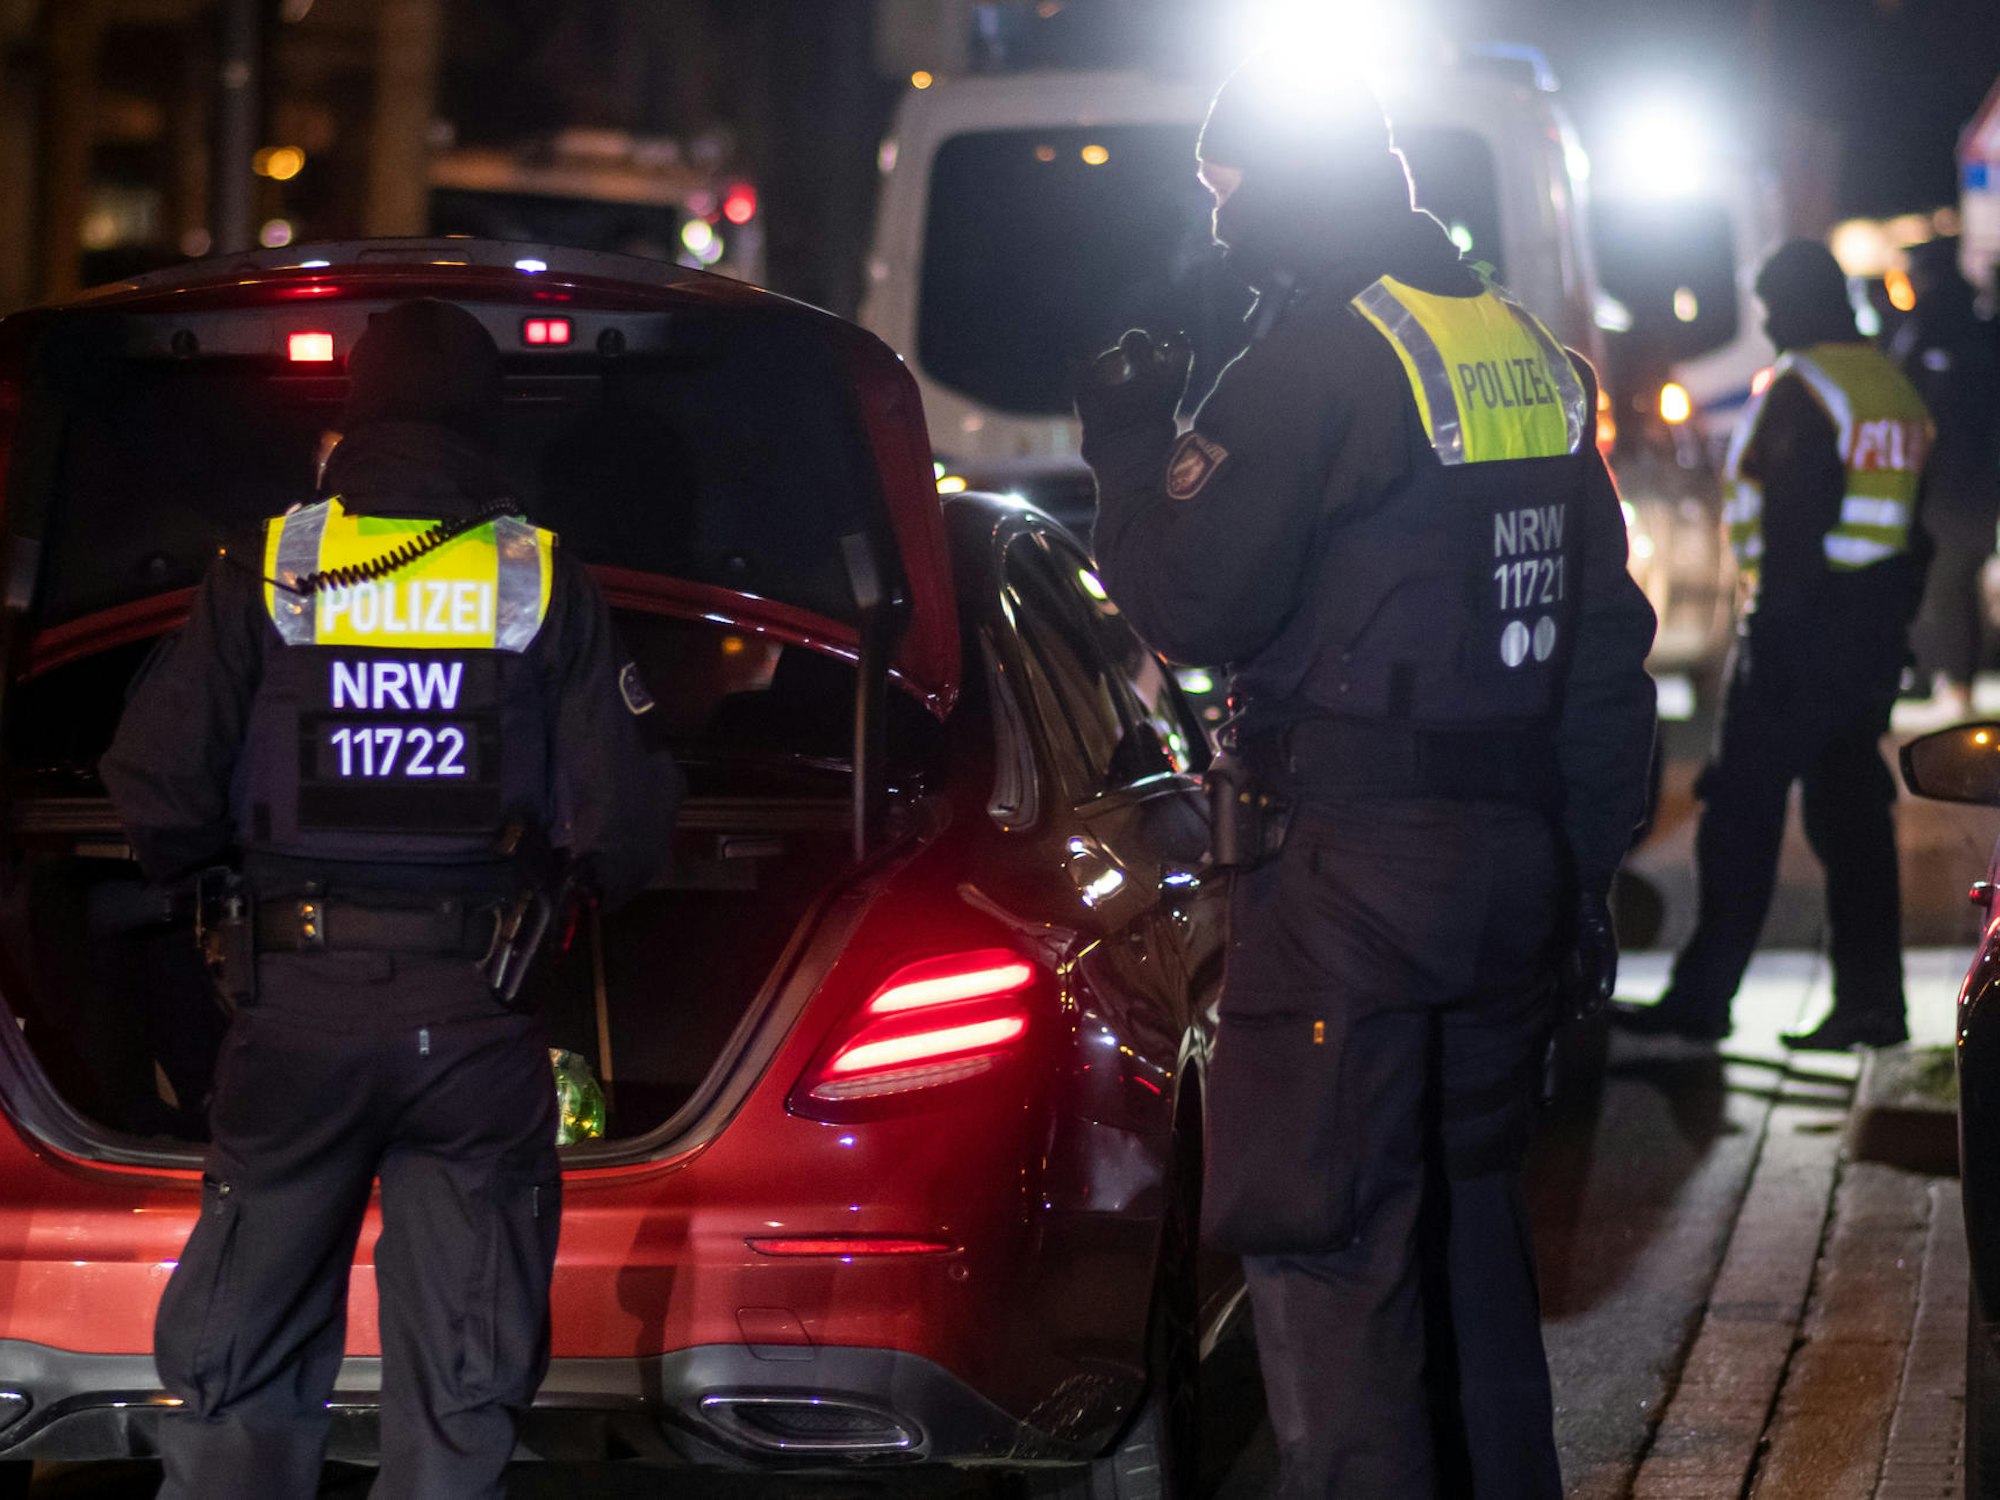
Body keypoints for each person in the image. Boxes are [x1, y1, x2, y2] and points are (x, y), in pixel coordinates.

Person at [1075, 58, 1657, 1499]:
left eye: (1227, 201)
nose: (1219, 234)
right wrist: (1580, 877)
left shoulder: (1318, 366)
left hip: (1348, 881)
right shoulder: (1520, 350)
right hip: (1508, 868)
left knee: (1334, 1257)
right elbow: (1602, 656)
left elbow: (1192, 605)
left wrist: (1129, 452)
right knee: (1471, 1245)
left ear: (1280, 193)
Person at [99, 298, 682, 1498]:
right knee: (462, 1378)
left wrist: (215, 889)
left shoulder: (270, 564)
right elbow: (621, 823)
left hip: (292, 1011)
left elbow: (153, 786)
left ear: (354, 416)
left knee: (239, 1358)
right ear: (486, 424)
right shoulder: (535, 572)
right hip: (475, 1016)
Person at [1612, 241, 1932, 1051]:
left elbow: (1790, 535)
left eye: (1771, 302)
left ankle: (1704, 997)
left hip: (1799, 642)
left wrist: (1769, 647)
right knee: (1854, 820)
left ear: (1801, 302)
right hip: (1868, 636)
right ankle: (1871, 1004)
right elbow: (1911, 532)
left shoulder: (1803, 392)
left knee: (1739, 815)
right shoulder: (1891, 387)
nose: (1765, 318)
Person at [1893, 237, 2000, 723]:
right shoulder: (1979, 329)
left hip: (1944, 484)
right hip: (1978, 482)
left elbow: (1909, 406)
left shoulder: (1930, 331)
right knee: (1960, 582)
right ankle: (1954, 682)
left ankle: (1952, 686)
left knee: (1944, 585)